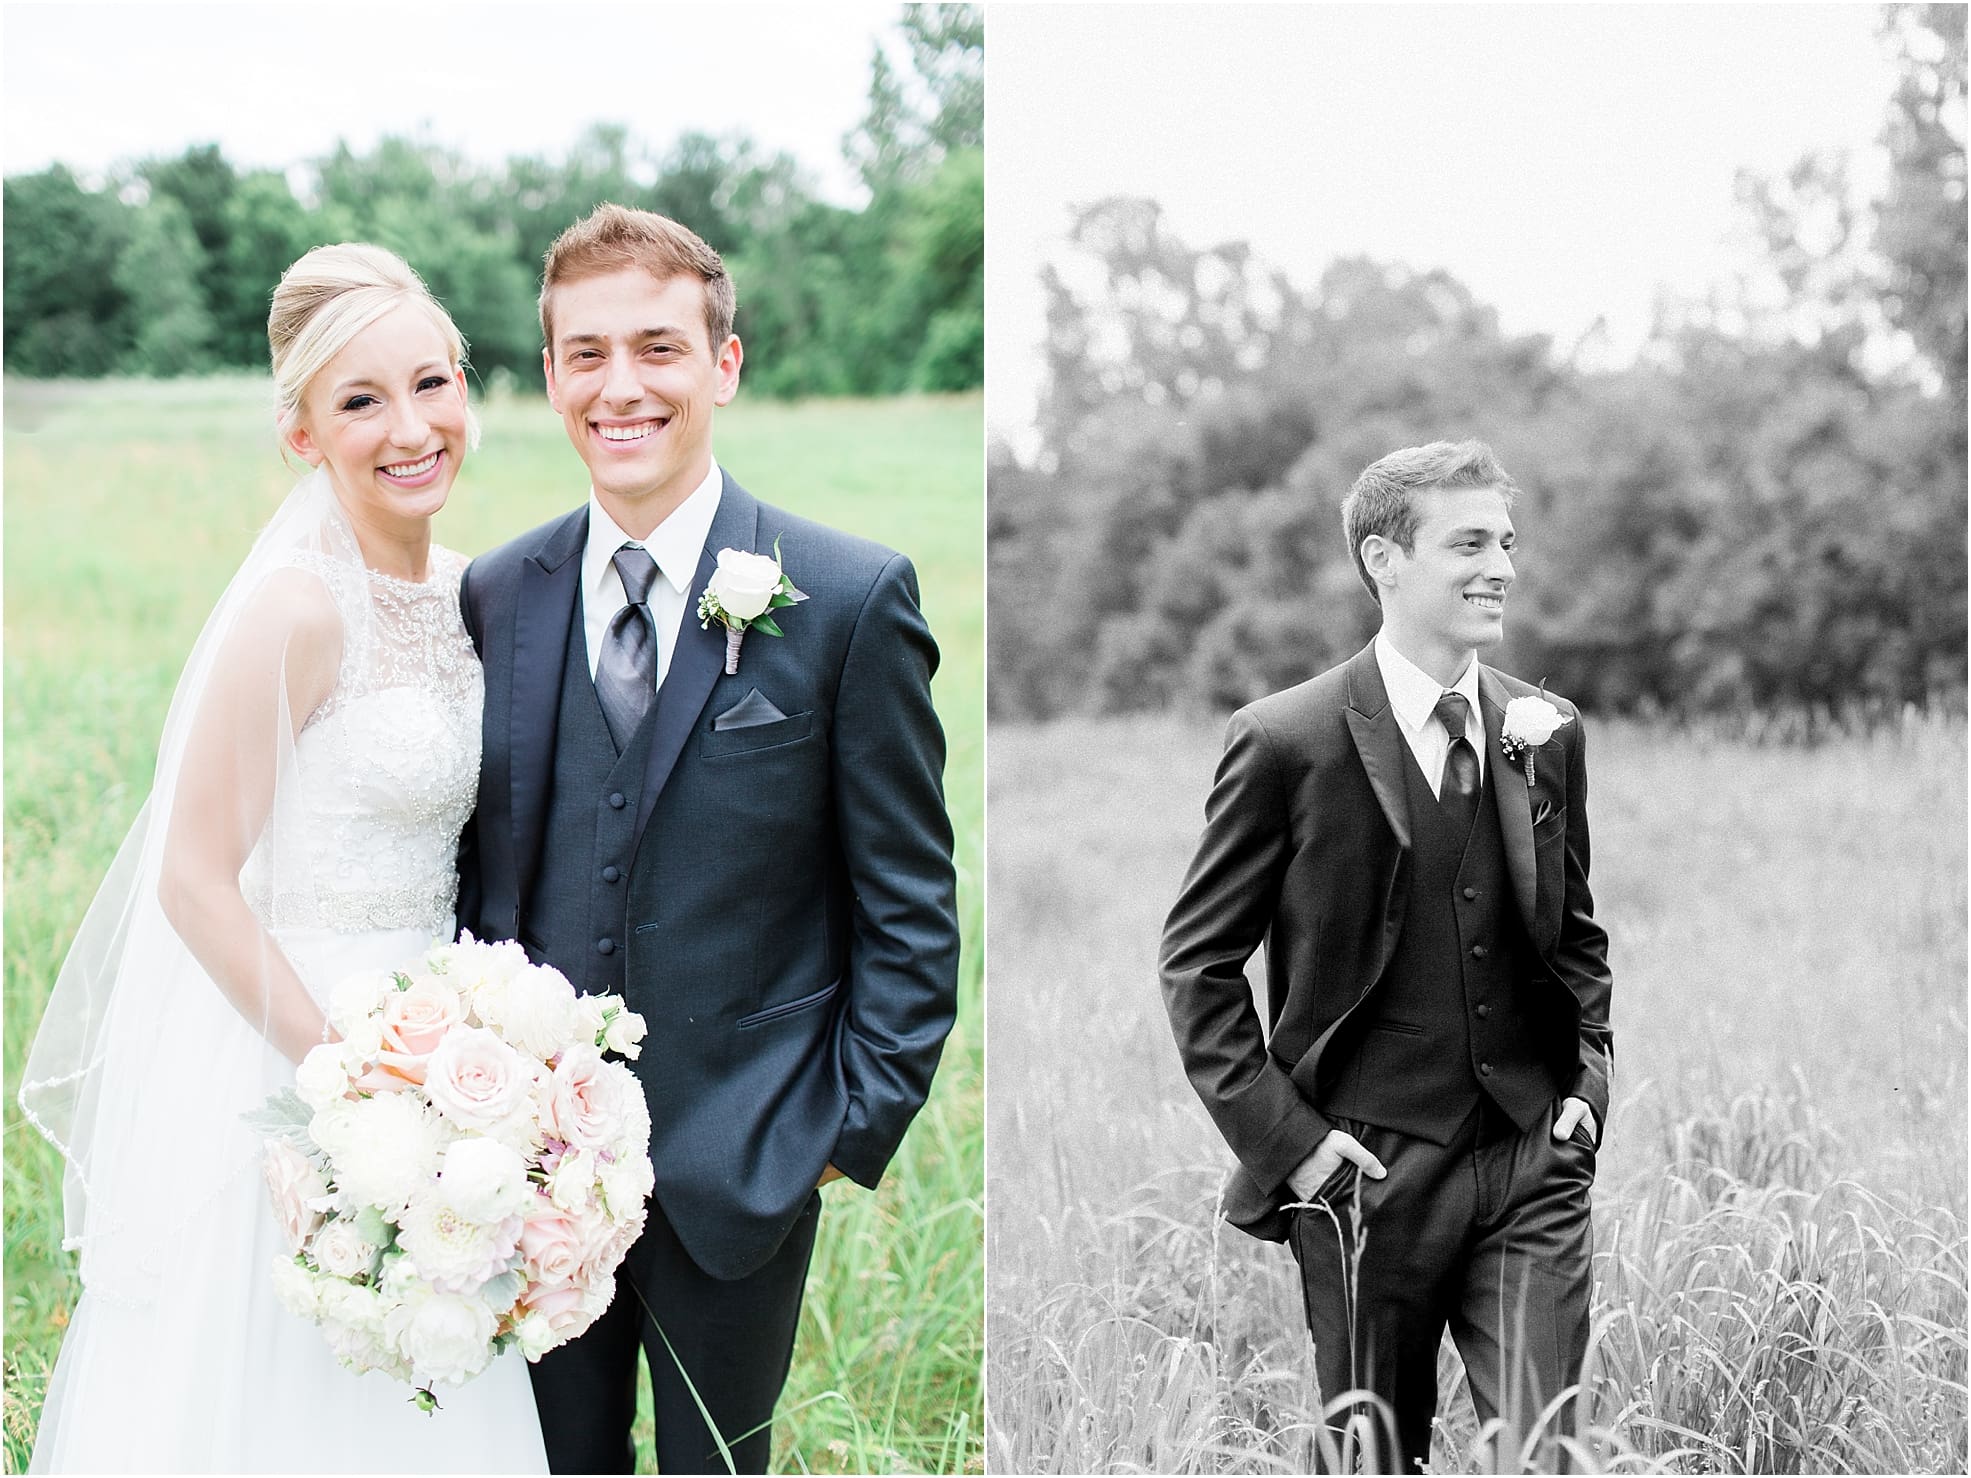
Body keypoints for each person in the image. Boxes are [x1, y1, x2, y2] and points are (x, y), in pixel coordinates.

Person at [18, 244, 549, 1473]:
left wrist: (471, 1076)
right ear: (302, 433)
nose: (411, 427)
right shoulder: (299, 611)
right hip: (294, 1052)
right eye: (361, 400)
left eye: (433, 382)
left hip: (447, 1053)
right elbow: (194, 877)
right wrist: (350, 1086)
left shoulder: (480, 597)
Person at [454, 203, 960, 1475]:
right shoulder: (497, 593)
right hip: (527, 1174)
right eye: (586, 353)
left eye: (659, 348)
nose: (621, 385)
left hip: (748, 1157)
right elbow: (476, 869)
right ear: (554, 377)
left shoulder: (846, 595)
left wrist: (849, 1122)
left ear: (722, 365)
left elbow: (908, 892)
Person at [1158, 440, 1614, 1472]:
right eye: (1468, 542)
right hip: (1366, 1170)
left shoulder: (1548, 732)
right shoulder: (1287, 739)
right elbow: (1197, 963)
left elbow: (1575, 929)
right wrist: (1297, 1147)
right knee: (1373, 1454)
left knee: (1543, 1453)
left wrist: (1585, 1087)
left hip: (1532, 1154)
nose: (1500, 564)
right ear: (1384, 559)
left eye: (1505, 540)